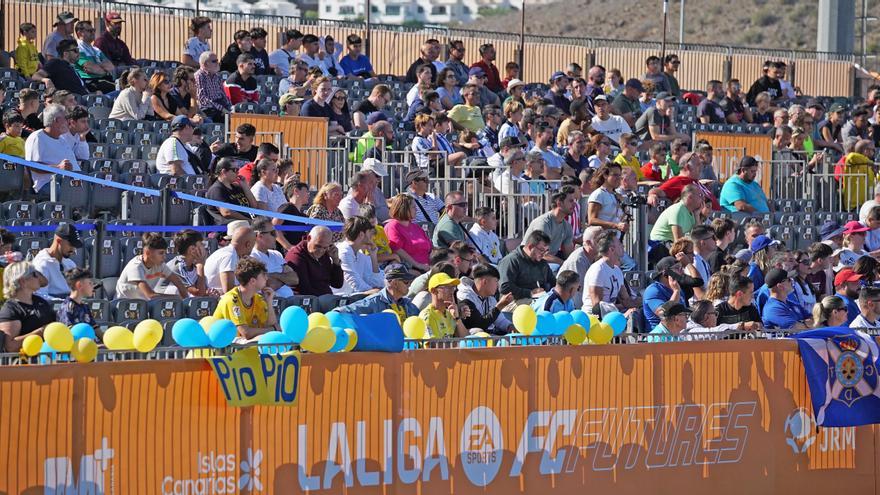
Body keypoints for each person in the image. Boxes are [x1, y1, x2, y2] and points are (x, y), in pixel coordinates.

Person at [213, 257, 278, 343]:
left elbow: (272, 325)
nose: (266, 278)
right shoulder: (231, 299)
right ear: (253, 281)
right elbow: (246, 333)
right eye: (263, 275)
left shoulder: (258, 298)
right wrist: (272, 330)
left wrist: (269, 302)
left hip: (245, 350)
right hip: (224, 349)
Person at [0, 262, 55, 352]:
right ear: (22, 281)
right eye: (34, 274)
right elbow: (10, 346)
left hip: (48, 359)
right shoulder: (10, 309)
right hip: (25, 363)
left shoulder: (40, 302)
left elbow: (44, 281)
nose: (38, 277)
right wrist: (41, 332)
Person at [582, 230, 639, 315]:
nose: (622, 245)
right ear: (612, 249)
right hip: (593, 320)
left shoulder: (617, 270)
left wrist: (644, 302)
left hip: (611, 315)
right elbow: (597, 308)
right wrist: (623, 315)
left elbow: (626, 301)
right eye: (619, 243)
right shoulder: (598, 270)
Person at [116, 233, 188, 300]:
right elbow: (150, 295)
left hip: (143, 305)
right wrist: (177, 298)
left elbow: (179, 283)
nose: (164, 257)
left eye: (165, 253)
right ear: (148, 253)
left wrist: (185, 301)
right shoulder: (135, 267)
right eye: (161, 253)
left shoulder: (160, 264)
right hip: (123, 306)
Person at [498, 230, 556, 306]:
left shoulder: (541, 262)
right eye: (542, 250)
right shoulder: (511, 260)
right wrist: (530, 293)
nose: (544, 254)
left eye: (546, 250)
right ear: (530, 247)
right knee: (544, 305)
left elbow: (552, 281)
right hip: (512, 301)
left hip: (537, 298)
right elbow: (505, 288)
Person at [522, 187, 576, 265]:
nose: (574, 204)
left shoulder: (567, 226)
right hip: (530, 262)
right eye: (571, 201)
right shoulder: (543, 223)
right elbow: (541, 254)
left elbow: (569, 255)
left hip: (547, 263)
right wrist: (564, 264)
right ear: (559, 203)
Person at [285, 226, 344, 296]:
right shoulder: (296, 256)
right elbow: (304, 289)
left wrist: (335, 261)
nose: (321, 251)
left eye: (325, 247)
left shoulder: (324, 254)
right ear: (309, 238)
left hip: (325, 298)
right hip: (307, 302)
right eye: (318, 246)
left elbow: (337, 284)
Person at [456, 264, 514, 335]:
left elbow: (500, 320)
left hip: (490, 336)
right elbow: (478, 324)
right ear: (485, 282)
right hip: (472, 339)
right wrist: (499, 306)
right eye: (496, 281)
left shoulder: (490, 297)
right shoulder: (464, 295)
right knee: (477, 331)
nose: (498, 286)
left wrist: (510, 327)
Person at [334, 216, 384, 296]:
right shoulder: (343, 252)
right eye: (369, 233)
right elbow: (355, 283)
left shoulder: (359, 254)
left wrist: (373, 257)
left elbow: (378, 282)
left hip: (355, 298)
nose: (372, 237)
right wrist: (377, 292)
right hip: (342, 299)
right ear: (361, 234)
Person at [383, 194, 432, 272]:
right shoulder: (393, 226)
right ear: (404, 209)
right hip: (410, 268)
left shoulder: (416, 227)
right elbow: (396, 249)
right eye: (413, 207)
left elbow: (429, 247)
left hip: (427, 266)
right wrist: (417, 265)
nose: (416, 209)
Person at [204, 222, 255, 293]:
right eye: (253, 245)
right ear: (248, 245)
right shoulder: (229, 256)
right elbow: (228, 290)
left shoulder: (229, 253)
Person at [32, 223, 80, 300]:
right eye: (71, 245)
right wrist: (65, 302)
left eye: (75, 246)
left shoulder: (70, 263)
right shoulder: (41, 264)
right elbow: (39, 296)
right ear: (58, 241)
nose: (73, 249)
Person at [157, 229, 209, 297]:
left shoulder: (193, 265)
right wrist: (200, 265)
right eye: (202, 244)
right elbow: (199, 293)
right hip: (162, 304)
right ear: (192, 250)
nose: (205, 248)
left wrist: (209, 293)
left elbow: (202, 291)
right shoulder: (178, 266)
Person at [419, 273, 470, 338]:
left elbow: (466, 340)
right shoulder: (427, 315)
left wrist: (457, 318)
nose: (452, 291)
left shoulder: (449, 313)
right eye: (447, 287)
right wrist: (458, 344)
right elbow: (432, 346)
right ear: (434, 291)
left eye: (453, 287)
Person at [205, 158, 255, 225]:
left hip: (246, 225)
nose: (238, 172)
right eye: (235, 170)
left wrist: (245, 186)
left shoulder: (237, 187)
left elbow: (254, 206)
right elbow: (227, 212)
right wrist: (249, 221)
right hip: (230, 228)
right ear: (224, 172)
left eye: (238, 169)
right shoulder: (216, 189)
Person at [72, 20, 115, 93]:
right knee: (118, 89)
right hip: (89, 82)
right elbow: (90, 67)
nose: (93, 33)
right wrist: (103, 69)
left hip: (103, 79)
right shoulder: (77, 49)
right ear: (80, 33)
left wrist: (97, 66)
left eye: (93, 30)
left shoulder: (96, 49)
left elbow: (111, 67)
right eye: (89, 31)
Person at [643, 256, 687, 328]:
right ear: (665, 273)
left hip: (678, 332)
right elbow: (664, 314)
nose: (682, 271)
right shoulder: (653, 290)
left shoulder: (678, 289)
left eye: (681, 268)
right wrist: (676, 292)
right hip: (660, 336)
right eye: (677, 268)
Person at [195, 51, 231, 122]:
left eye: (217, 60)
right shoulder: (199, 76)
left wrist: (229, 107)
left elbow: (223, 94)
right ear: (205, 64)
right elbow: (202, 98)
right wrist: (221, 108)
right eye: (214, 61)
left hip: (220, 106)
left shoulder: (217, 76)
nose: (218, 63)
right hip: (208, 109)